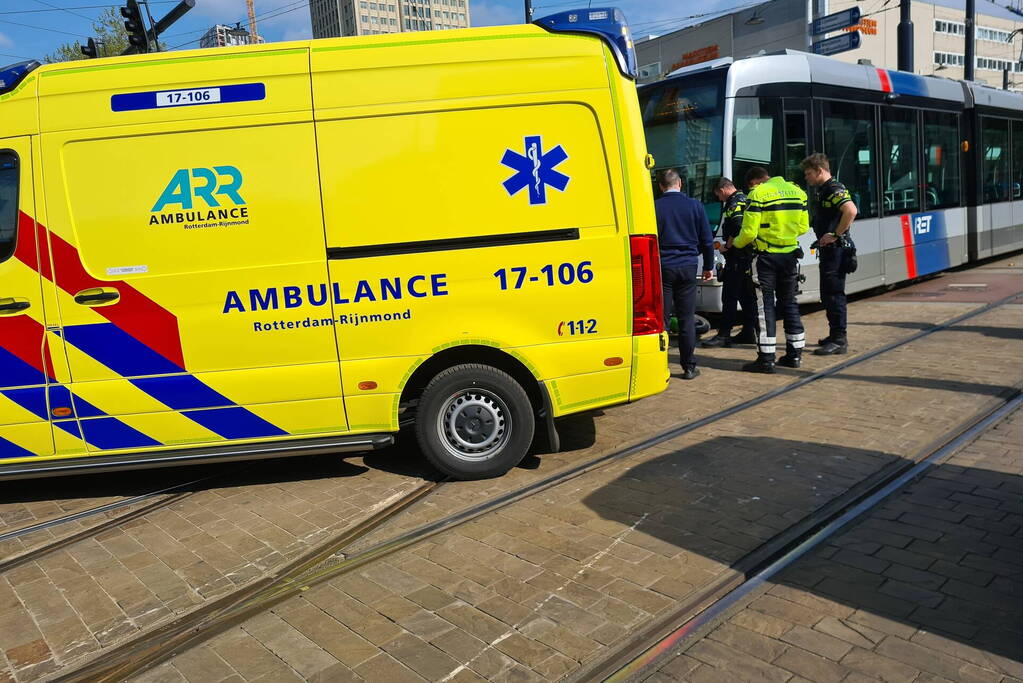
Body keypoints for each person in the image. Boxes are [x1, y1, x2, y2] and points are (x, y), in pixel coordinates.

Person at [733, 166, 810, 373]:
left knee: (764, 306)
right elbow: (803, 227)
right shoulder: (798, 192)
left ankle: (766, 359)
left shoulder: (758, 194)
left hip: (765, 258)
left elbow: (748, 232)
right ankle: (795, 355)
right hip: (790, 255)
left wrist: (736, 244)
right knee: (790, 303)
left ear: (753, 182)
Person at [654, 168, 714, 380]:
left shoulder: (654, 207)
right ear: (679, 183)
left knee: (662, 319)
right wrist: (708, 266)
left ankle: (660, 369)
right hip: (688, 266)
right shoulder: (695, 206)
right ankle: (689, 367)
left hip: (662, 268)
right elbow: (707, 240)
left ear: (661, 186)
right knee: (687, 318)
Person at [802, 153, 858, 355]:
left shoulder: (834, 189)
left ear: (820, 171)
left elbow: (851, 211)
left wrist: (835, 234)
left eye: (809, 173)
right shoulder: (824, 190)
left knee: (834, 294)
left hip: (836, 251)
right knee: (828, 293)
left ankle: (840, 339)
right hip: (830, 251)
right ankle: (834, 334)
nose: (807, 178)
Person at [702, 177, 757, 348]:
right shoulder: (746, 198)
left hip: (737, 256)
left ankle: (724, 334)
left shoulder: (734, 203)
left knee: (729, 296)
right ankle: (750, 332)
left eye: (718, 195)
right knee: (746, 296)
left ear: (723, 190)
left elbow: (737, 226)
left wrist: (727, 246)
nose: (719, 199)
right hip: (746, 256)